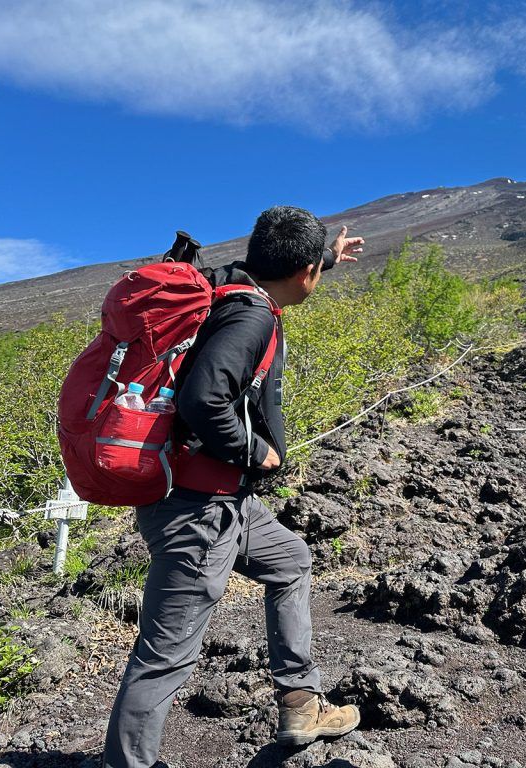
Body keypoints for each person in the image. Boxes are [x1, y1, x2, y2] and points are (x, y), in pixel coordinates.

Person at [103, 206, 365, 768]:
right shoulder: (253, 318)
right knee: (165, 655)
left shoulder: (228, 286)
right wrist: (255, 450)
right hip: (197, 511)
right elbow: (203, 401)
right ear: (303, 275)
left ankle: (300, 702)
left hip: (223, 502)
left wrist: (326, 256)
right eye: (315, 267)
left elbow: (277, 270)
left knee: (291, 560)